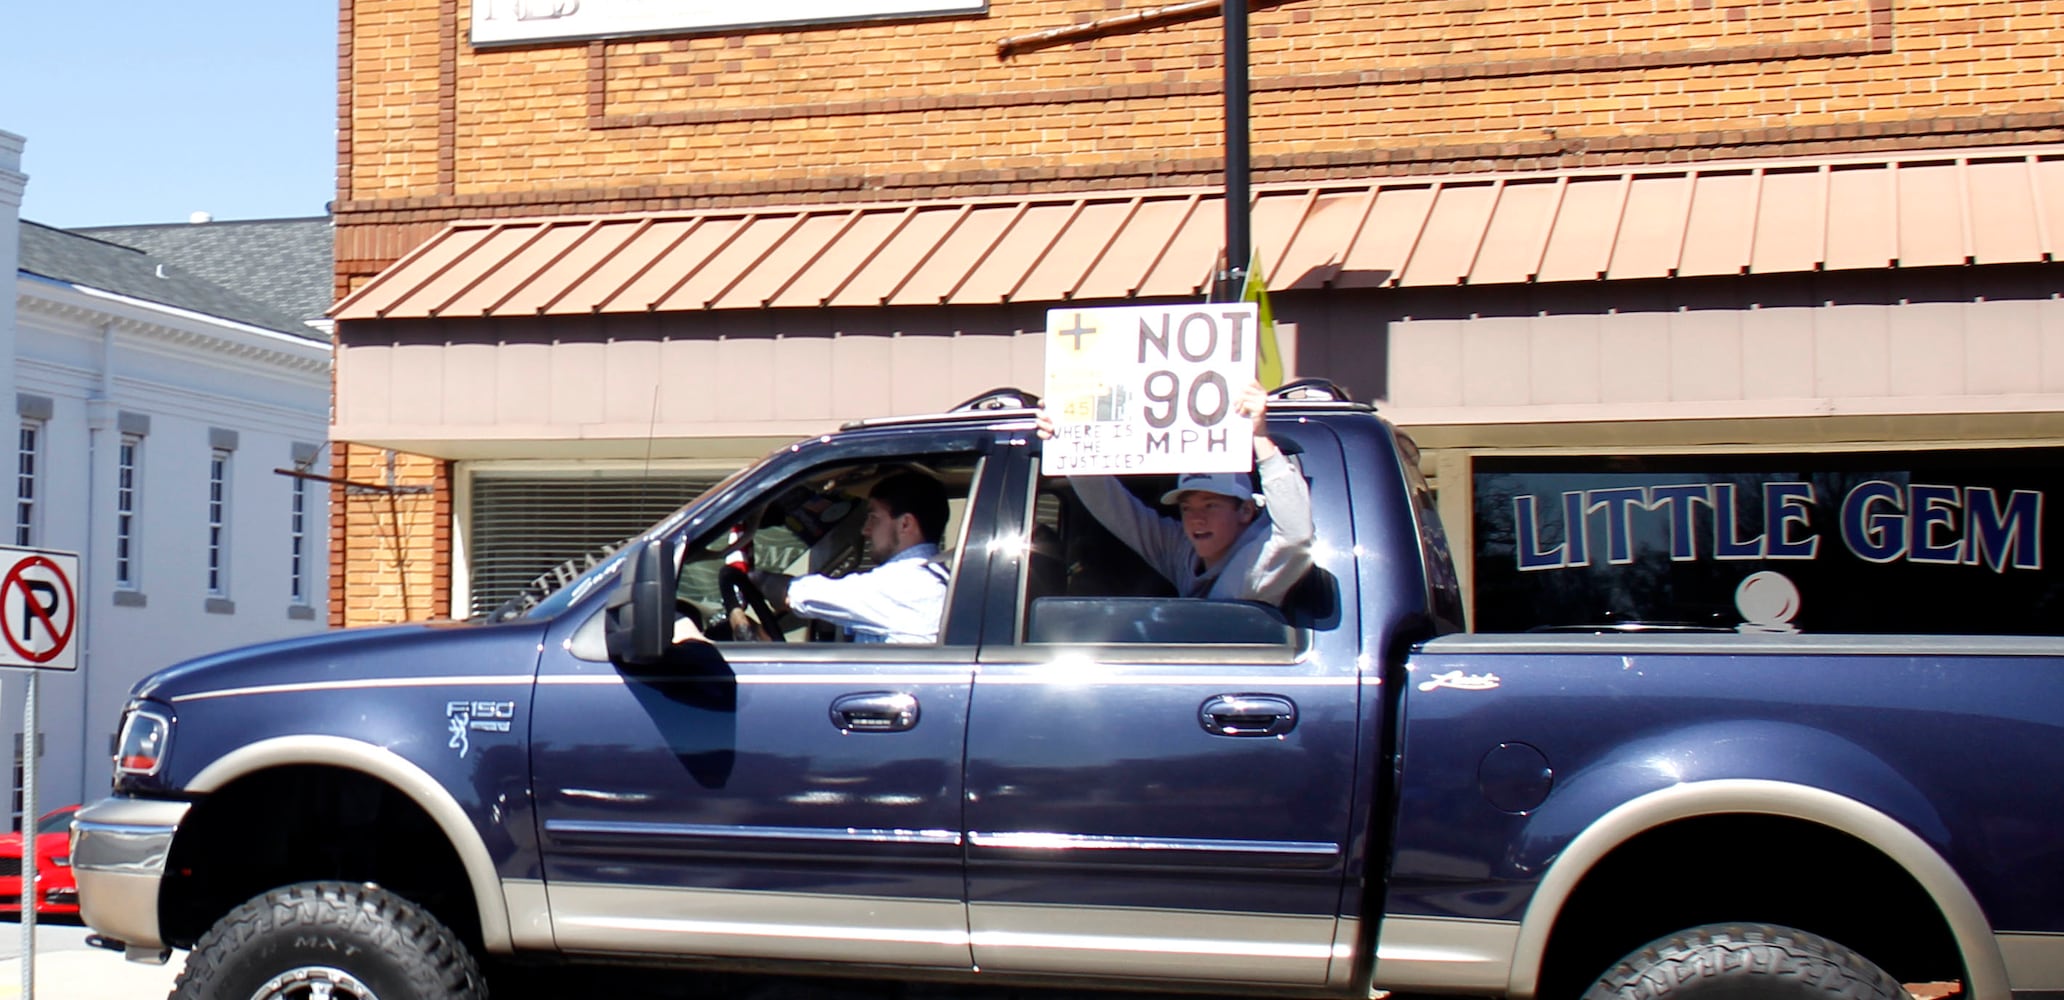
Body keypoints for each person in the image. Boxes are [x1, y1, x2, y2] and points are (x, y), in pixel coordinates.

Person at [1040, 379, 1314, 605]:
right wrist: (1069, 439)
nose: (1196, 519)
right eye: (1187, 507)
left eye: (1210, 505)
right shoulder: (1183, 550)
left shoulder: (1259, 563)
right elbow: (1113, 507)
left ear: (1245, 511)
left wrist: (1259, 435)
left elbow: (1296, 534)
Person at [750, 470, 952, 644]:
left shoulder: (908, 583)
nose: (866, 530)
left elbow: (796, 594)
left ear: (905, 524)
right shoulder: (934, 576)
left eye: (874, 518)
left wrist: (754, 578)